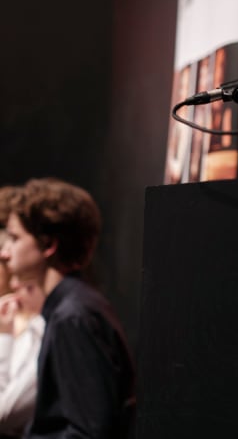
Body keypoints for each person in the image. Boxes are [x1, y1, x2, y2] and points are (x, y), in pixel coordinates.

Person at [0, 177, 136, 438]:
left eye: (15, 238)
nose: (4, 253)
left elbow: (89, 431)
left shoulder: (72, 316)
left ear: (49, 245)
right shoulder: (72, 308)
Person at [0, 185, 44, 439]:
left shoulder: (39, 324)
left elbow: (5, 414)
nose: (6, 253)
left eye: (14, 240)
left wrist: (4, 336)